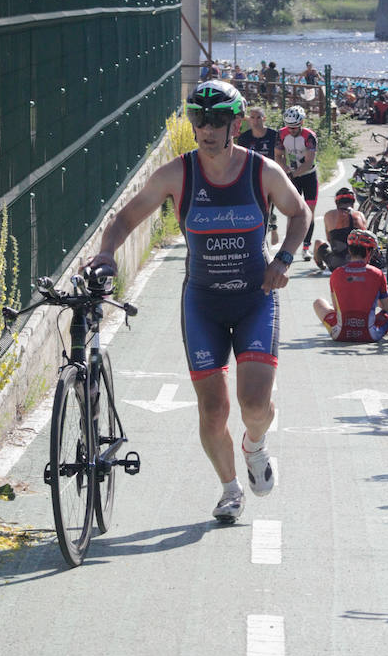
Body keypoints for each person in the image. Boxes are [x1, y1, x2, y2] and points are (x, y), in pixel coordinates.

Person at [87, 80, 311, 524]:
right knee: (212, 410)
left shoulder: (260, 170)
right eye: (199, 120)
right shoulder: (177, 174)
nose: (207, 129)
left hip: (255, 299)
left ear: (233, 124)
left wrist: (284, 258)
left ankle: (255, 445)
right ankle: (230, 489)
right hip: (203, 304)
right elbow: (127, 217)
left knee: (253, 406)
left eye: (217, 121)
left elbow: (299, 211)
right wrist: (106, 253)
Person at [313, 229, 388, 343]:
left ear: (350, 251)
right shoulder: (377, 273)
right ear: (369, 252)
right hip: (370, 335)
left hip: (340, 334)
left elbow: (336, 307)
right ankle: (385, 330)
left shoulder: (337, 273)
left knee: (319, 302)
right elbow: (387, 308)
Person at [274, 105, 317, 260]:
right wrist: (285, 170)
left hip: (308, 175)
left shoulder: (309, 136)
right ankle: (288, 249)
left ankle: (306, 247)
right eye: (289, 127)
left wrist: (294, 173)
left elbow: (308, 161)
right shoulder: (281, 134)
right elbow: (278, 156)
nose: (292, 130)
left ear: (302, 123)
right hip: (292, 175)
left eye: (295, 127)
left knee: (309, 213)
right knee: (292, 212)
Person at [238, 105, 279, 244]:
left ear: (264, 118)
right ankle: (268, 228)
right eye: (252, 117)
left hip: (270, 178)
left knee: (266, 207)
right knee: (257, 208)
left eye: (258, 117)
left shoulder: (274, 135)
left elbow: (281, 157)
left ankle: (267, 232)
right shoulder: (244, 138)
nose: (255, 121)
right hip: (251, 179)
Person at [313, 187, 367, 271]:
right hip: (361, 262)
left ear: (337, 203)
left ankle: (320, 264)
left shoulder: (329, 215)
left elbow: (329, 239)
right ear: (353, 202)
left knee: (318, 242)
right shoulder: (360, 215)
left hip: (337, 263)